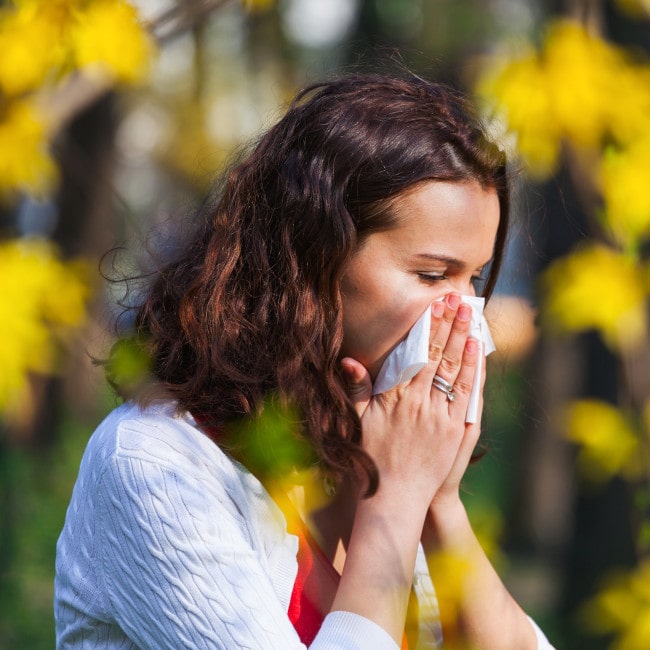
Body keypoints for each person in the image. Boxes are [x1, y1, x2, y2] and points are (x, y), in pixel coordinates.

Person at [54, 72, 555, 649]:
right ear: (314, 261)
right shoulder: (155, 465)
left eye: (475, 279)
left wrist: (437, 499)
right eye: (432, 274)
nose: (465, 313)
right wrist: (393, 504)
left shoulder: (365, 450)